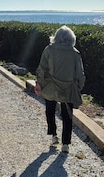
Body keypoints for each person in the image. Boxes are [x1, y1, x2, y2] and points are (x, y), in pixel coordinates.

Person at [34, 25, 85, 153]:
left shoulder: (49, 49)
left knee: (50, 110)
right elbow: (80, 73)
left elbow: (42, 68)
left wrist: (39, 83)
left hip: (50, 86)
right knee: (67, 116)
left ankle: (53, 135)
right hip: (68, 88)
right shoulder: (75, 53)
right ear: (71, 38)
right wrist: (79, 87)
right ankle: (66, 144)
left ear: (56, 37)